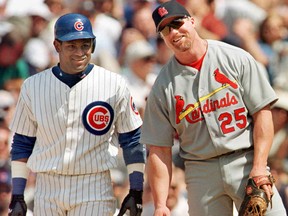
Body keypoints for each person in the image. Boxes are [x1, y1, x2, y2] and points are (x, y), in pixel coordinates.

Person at [139, 1, 287, 215]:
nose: (174, 32)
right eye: (165, 29)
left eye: (178, 23)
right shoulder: (163, 86)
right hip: (201, 172)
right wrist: (161, 203)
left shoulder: (235, 58)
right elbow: (159, 149)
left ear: (192, 21)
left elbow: (262, 112)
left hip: (245, 159)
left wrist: (259, 166)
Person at [8, 13, 146, 216]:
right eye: (72, 45)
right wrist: (17, 195)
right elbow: (22, 142)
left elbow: (132, 139)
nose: (80, 52)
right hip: (48, 185)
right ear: (57, 46)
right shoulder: (33, 86)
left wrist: (136, 190)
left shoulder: (114, 83)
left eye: (85, 45)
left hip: (94, 184)